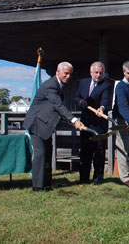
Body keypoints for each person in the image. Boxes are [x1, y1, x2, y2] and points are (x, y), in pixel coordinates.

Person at [24, 62, 84, 192]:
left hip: (45, 125)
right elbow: (58, 106)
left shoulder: (58, 86)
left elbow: (56, 110)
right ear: (58, 72)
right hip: (36, 123)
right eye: (65, 73)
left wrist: (73, 122)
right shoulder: (51, 86)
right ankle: (38, 186)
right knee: (40, 154)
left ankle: (46, 183)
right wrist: (74, 120)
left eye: (70, 74)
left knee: (48, 152)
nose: (68, 76)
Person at [74, 61, 112, 185]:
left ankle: (98, 179)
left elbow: (105, 100)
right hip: (85, 123)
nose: (98, 75)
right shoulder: (83, 83)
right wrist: (80, 102)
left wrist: (101, 108)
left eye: (101, 73)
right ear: (91, 72)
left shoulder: (106, 85)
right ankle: (83, 178)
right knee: (85, 152)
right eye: (96, 72)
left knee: (99, 152)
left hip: (99, 124)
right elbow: (76, 97)